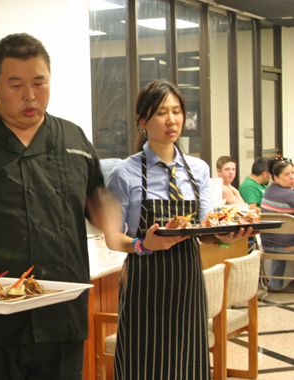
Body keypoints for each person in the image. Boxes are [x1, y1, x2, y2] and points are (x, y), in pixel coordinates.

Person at [0, 33, 120, 380]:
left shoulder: (74, 139)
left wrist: (112, 220)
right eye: (16, 85)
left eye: (39, 83)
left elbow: (97, 202)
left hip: (62, 319)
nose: (30, 96)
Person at [106, 80, 254, 379]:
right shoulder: (125, 172)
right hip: (143, 285)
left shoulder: (197, 169)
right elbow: (112, 237)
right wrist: (142, 245)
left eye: (177, 111)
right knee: (142, 364)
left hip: (187, 281)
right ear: (142, 121)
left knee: (187, 364)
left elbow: (204, 229)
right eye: (162, 112)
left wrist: (227, 236)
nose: (172, 120)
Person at [260, 155, 294, 291]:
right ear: (276, 177)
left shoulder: (268, 190)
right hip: (285, 247)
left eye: (293, 172)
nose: (292, 177)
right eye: (287, 174)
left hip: (268, 245)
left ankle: (275, 284)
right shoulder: (288, 194)